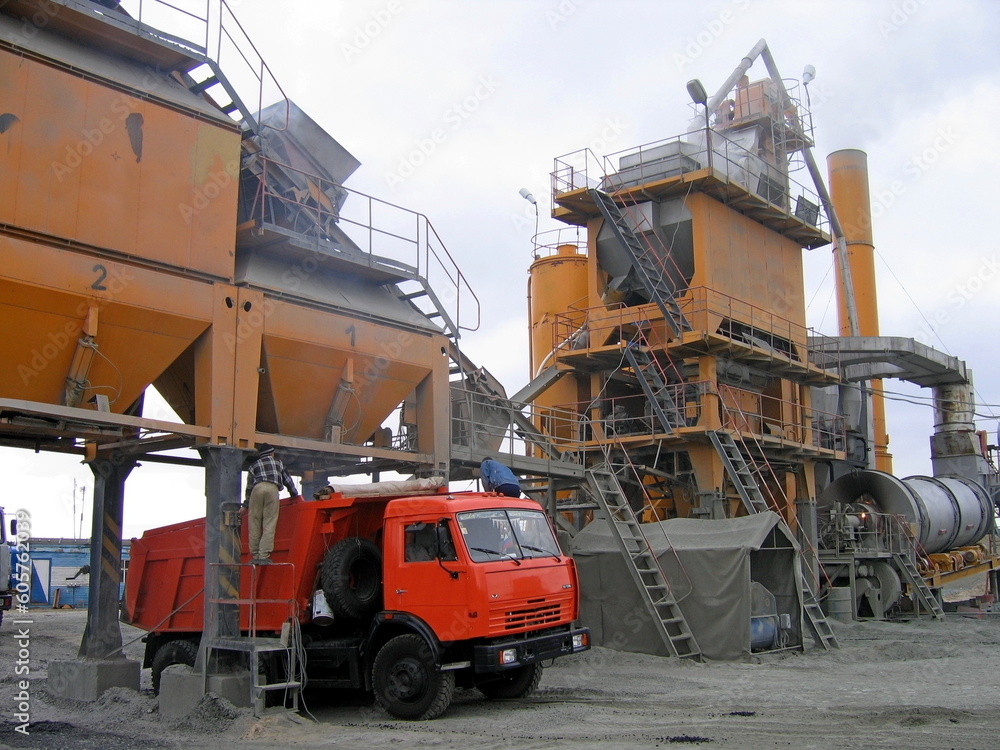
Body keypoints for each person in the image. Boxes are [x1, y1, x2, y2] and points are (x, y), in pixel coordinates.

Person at [241, 444, 298, 565]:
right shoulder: (278, 463)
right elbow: (288, 480)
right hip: (272, 489)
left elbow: (249, 487)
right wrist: (294, 494)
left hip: (257, 489)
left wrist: (245, 505)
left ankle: (255, 555)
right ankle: (263, 556)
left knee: (254, 522)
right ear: (272, 454)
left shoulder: (253, 465)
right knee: (269, 522)